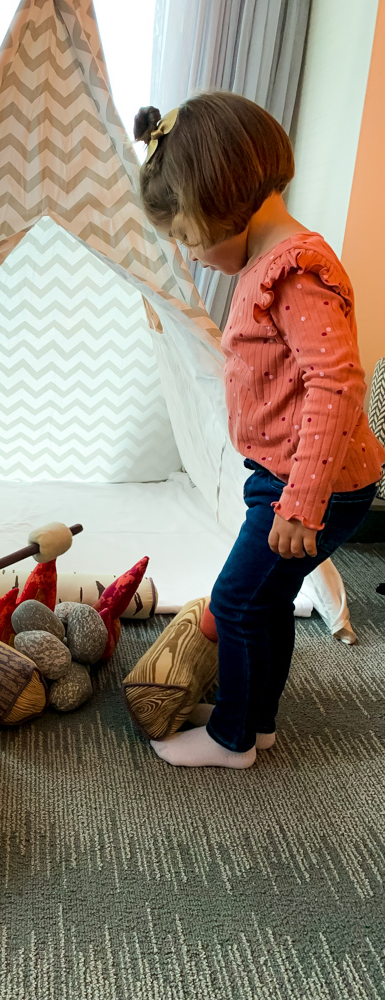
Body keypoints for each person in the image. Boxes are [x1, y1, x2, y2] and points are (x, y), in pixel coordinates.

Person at [133, 92, 385, 769]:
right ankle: (258, 720)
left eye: (188, 238)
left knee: (238, 600)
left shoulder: (295, 272)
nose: (190, 256)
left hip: (308, 486)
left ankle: (232, 738)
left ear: (224, 201)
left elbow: (337, 384)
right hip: (281, 476)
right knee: (268, 599)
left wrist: (301, 501)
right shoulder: (264, 264)